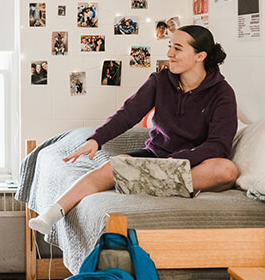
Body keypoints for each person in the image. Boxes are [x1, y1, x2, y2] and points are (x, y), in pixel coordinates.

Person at [29, 25, 239, 235]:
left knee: (226, 170)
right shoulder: (160, 81)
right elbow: (128, 114)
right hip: (155, 157)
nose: (169, 53)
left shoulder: (222, 93)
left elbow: (218, 145)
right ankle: (51, 214)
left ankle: (147, 183)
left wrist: (177, 160)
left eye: (177, 48)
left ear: (200, 56)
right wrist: (96, 140)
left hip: (193, 162)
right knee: (111, 167)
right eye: (170, 46)